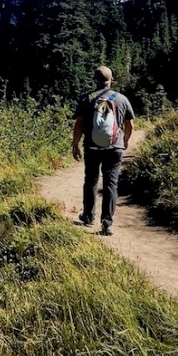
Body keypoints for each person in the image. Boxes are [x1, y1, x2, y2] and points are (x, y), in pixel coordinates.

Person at [72, 65, 135, 236]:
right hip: (115, 147)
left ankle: (88, 216)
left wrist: (75, 144)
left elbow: (79, 124)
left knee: (91, 180)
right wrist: (125, 141)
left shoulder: (86, 98)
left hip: (92, 147)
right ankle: (107, 223)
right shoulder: (121, 99)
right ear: (111, 80)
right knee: (110, 184)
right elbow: (129, 125)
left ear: (95, 80)